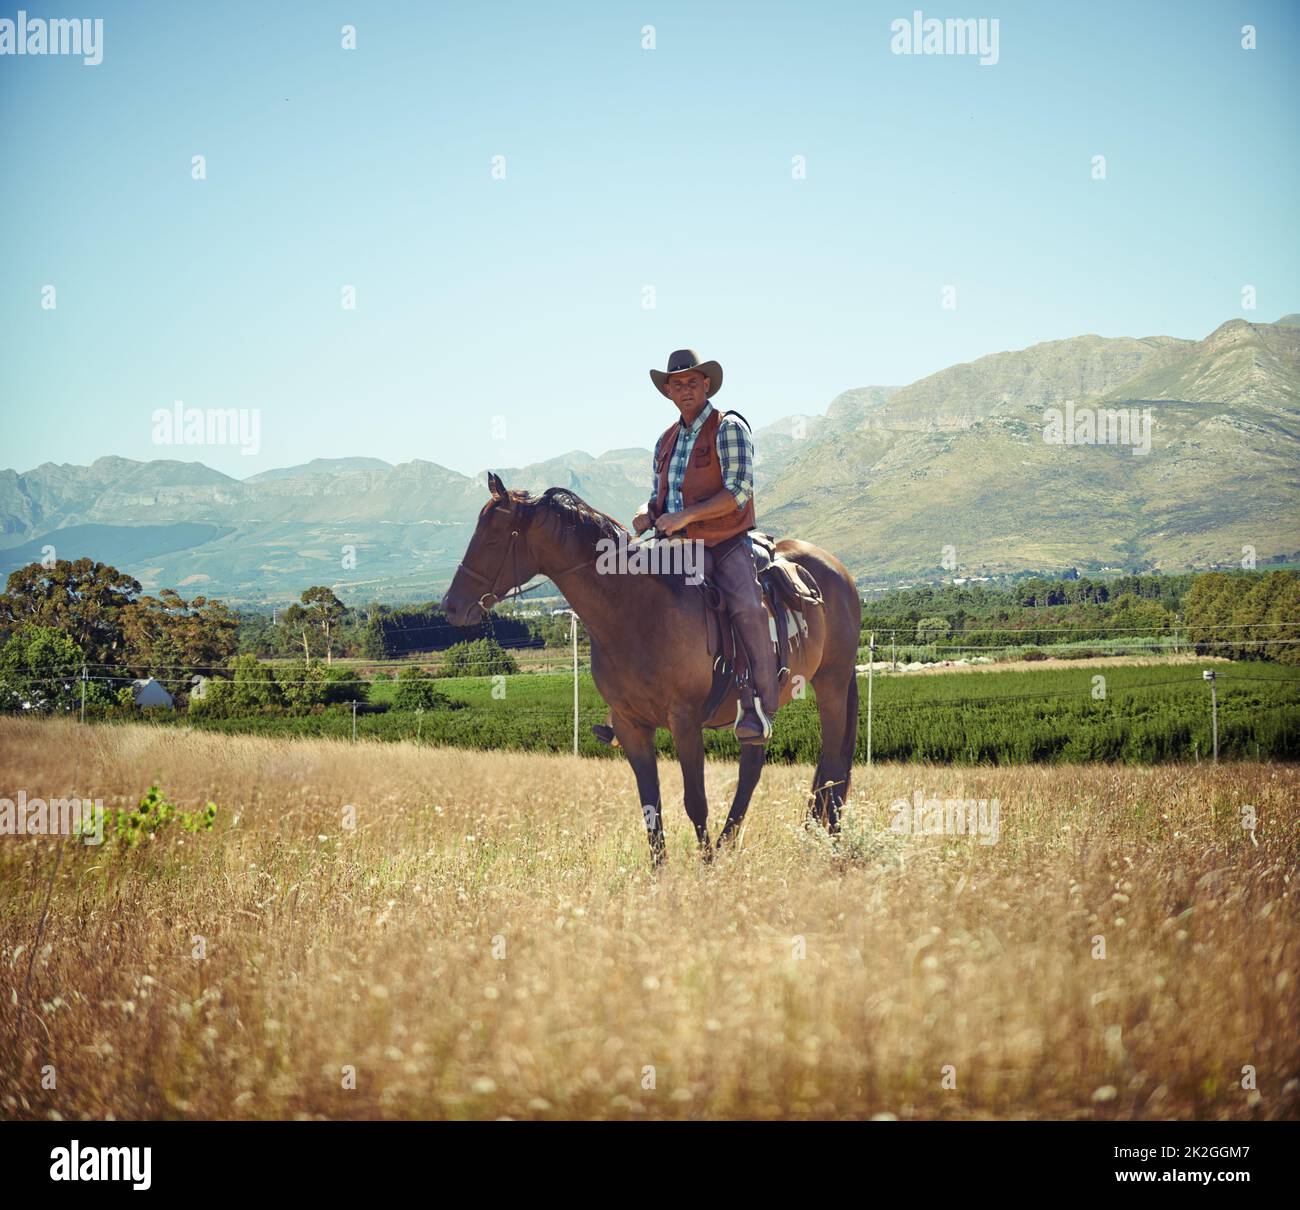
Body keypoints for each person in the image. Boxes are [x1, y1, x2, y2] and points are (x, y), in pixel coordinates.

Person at [592, 348, 779, 746]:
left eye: (692, 381)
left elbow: (739, 491)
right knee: (626, 592)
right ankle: (623, 701)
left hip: (723, 542)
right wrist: (646, 512)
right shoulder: (665, 441)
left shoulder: (728, 428)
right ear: (668, 392)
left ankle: (758, 702)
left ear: (706, 384)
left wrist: (686, 517)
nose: (685, 389)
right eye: (677, 384)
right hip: (673, 545)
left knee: (746, 604)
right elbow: (657, 497)